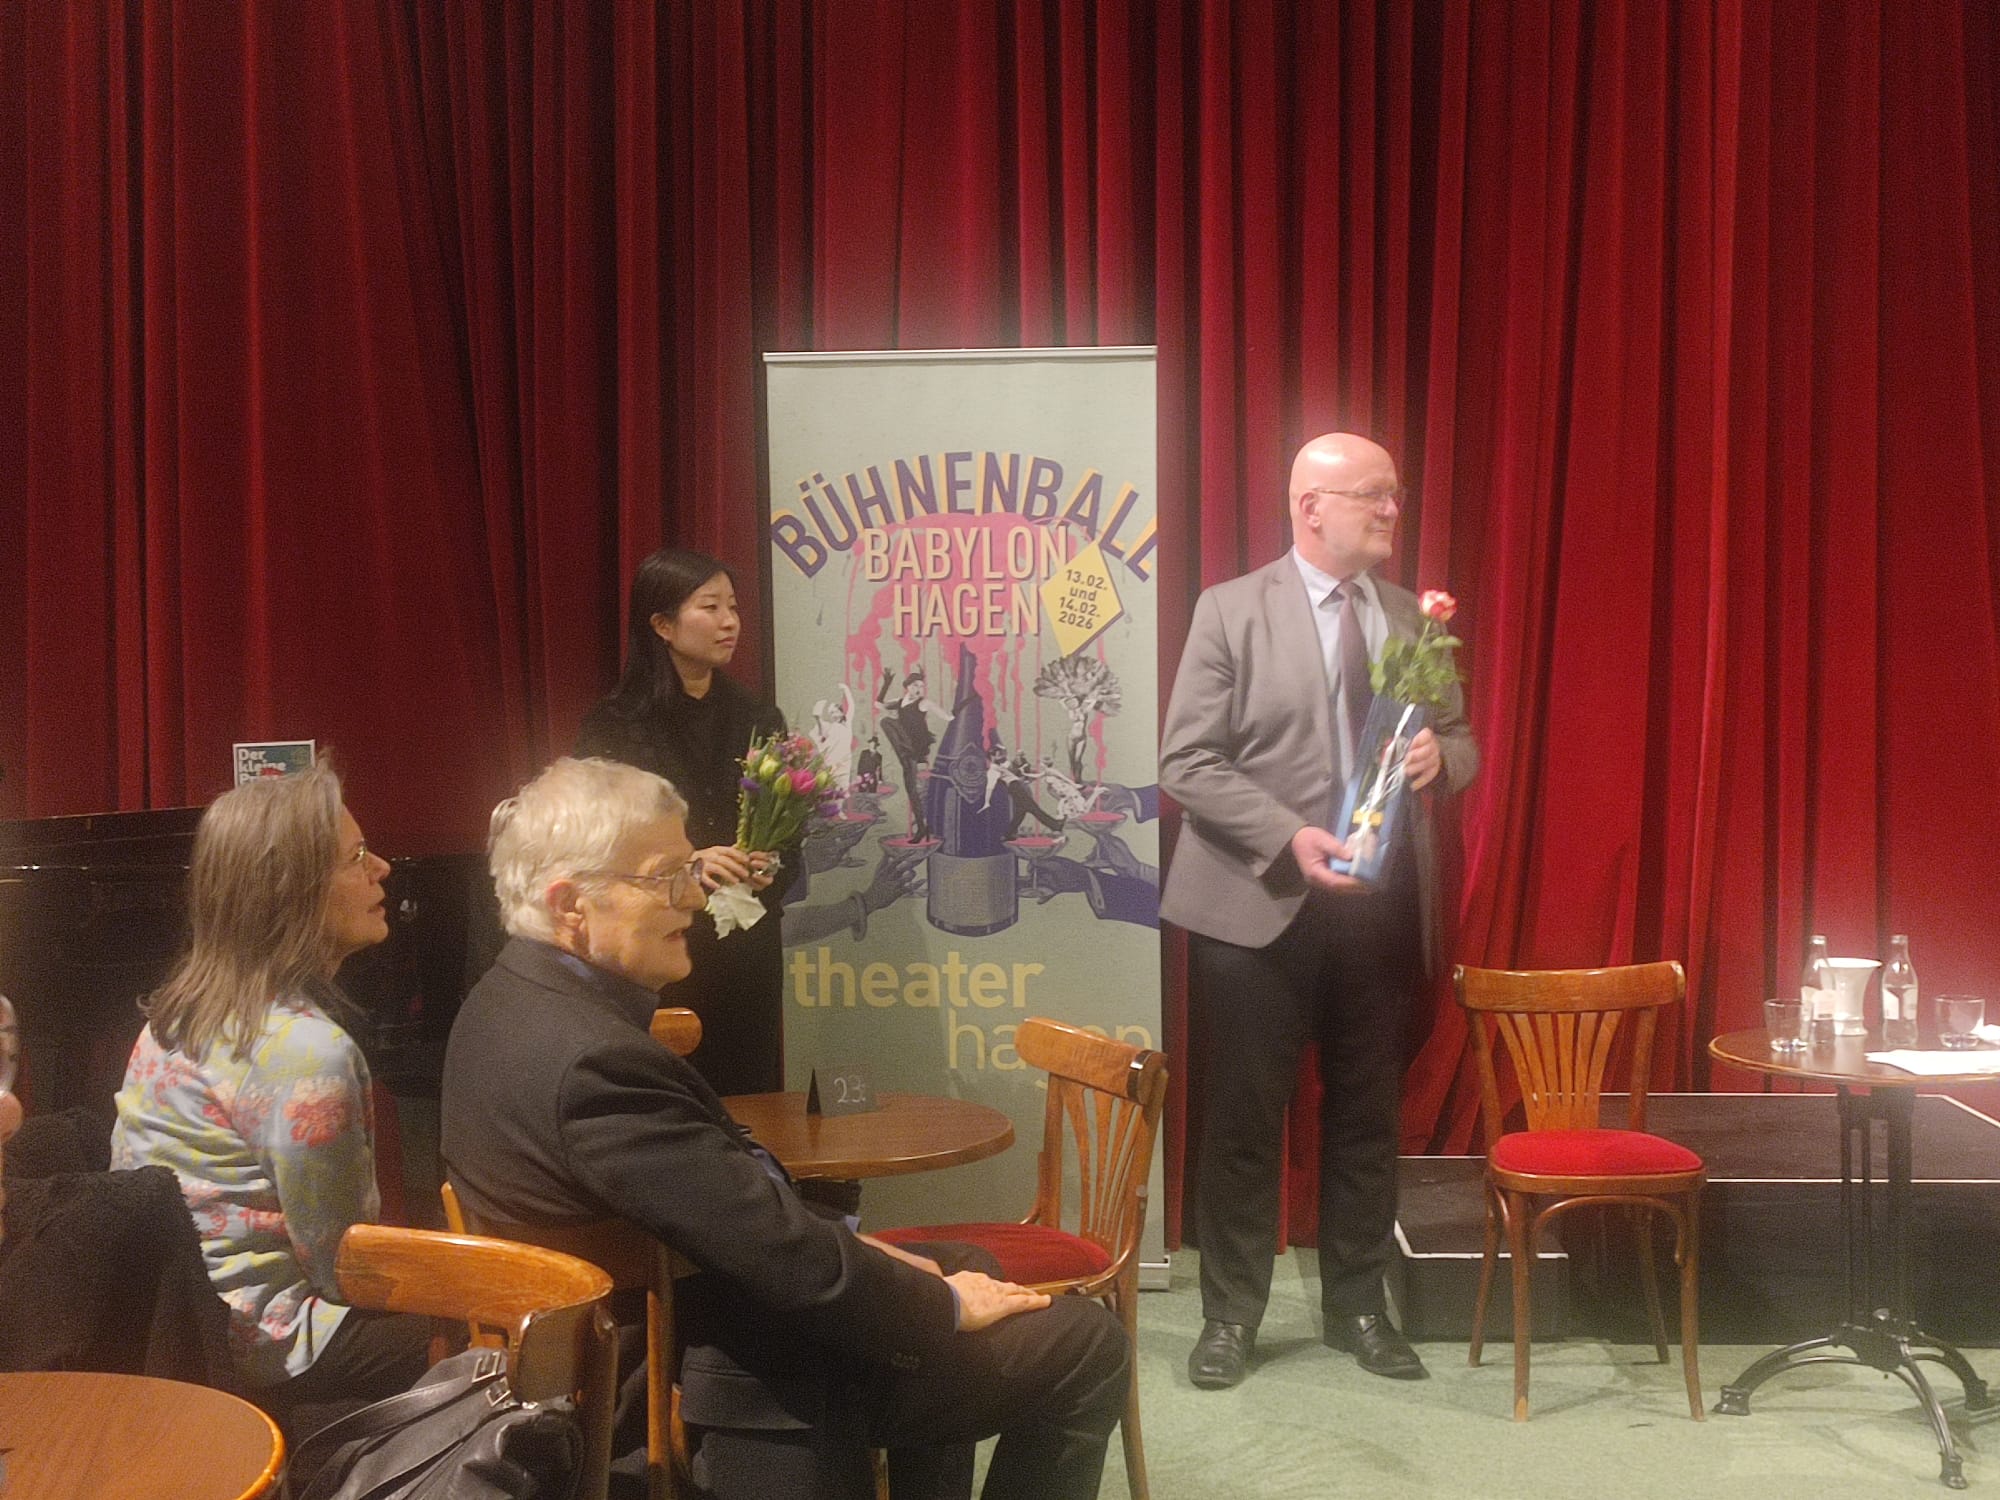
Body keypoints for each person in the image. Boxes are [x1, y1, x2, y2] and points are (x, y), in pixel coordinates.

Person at [440, 757, 1127, 1500]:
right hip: (718, 1380)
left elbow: (732, 1212)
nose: (694, 898)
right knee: (1089, 1343)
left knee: (964, 1263)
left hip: (691, 1315)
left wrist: (897, 1267)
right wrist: (941, 1305)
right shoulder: (594, 1063)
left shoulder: (502, 1001)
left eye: (689, 870)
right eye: (666, 877)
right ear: (571, 903)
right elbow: (783, 1258)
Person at [1160, 432, 1479, 1391]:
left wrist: (1441, 760)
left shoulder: (1410, 617)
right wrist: (1288, 834)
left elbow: (1462, 739)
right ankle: (1230, 1319)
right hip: (1257, 907)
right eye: (1373, 495)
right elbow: (1185, 761)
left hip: (1377, 915)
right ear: (1310, 507)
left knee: (1367, 1120)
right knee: (1244, 1123)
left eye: (1395, 494)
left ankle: (1357, 1310)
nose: (1392, 511)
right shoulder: (1230, 610)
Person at [109, 767, 432, 1434]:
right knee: (499, 1333)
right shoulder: (310, 1052)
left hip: (174, 1325)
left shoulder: (172, 1015)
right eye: (356, 857)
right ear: (294, 892)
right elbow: (341, 1263)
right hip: (264, 1343)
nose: (382, 868)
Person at [577, 547, 793, 1096]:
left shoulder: (758, 718)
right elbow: (599, 845)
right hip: (659, 948)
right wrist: (688, 863)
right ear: (663, 625)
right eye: (710, 607)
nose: (730, 621)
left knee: (752, 1103)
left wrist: (770, 863)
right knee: (671, 1098)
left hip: (746, 953)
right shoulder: (616, 724)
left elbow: (792, 833)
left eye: (733, 607)